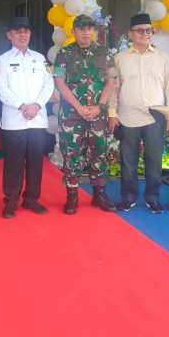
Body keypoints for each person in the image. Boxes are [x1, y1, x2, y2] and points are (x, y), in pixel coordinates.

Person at [108, 13, 169, 214]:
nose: (145, 34)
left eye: (148, 30)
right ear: (131, 34)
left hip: (155, 116)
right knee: (128, 161)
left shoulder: (162, 57)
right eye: (140, 30)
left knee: (154, 160)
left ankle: (152, 198)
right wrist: (112, 114)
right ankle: (128, 197)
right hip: (127, 116)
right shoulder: (120, 59)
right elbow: (114, 88)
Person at [54, 14, 117, 215]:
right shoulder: (64, 53)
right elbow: (60, 83)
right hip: (72, 114)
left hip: (97, 113)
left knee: (99, 150)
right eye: (81, 28)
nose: (86, 32)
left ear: (94, 31)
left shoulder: (105, 53)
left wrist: (100, 106)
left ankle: (99, 193)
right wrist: (78, 107)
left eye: (89, 28)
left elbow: (111, 81)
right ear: (74, 31)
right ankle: (72, 195)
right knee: (71, 153)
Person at [0, 16, 54, 218]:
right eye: (18, 31)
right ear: (9, 35)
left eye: (26, 31)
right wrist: (22, 106)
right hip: (14, 120)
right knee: (13, 163)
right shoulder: (3, 60)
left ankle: (31, 199)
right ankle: (11, 200)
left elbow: (49, 85)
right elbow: (1, 89)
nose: (23, 35)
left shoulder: (40, 58)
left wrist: (36, 105)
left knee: (36, 162)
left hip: (37, 119)